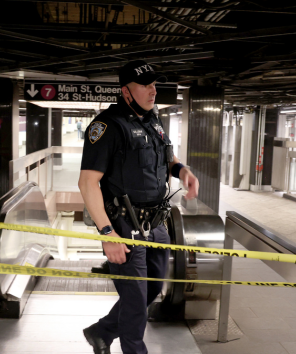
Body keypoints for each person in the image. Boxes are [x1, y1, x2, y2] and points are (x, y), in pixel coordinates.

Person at [78, 60, 199, 354]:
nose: (153, 91)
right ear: (126, 92)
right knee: (135, 306)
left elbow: (167, 159)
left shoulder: (154, 121)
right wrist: (108, 234)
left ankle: (102, 331)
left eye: (154, 84)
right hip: (125, 226)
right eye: (146, 85)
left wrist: (183, 171)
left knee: (153, 290)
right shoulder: (107, 126)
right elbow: (87, 183)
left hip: (157, 225)